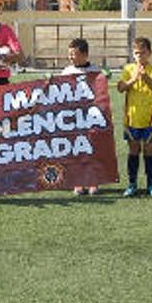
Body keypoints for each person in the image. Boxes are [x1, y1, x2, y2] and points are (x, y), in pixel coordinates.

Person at [115, 38, 152, 197]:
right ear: (132, 54)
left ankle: (151, 184)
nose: (139, 56)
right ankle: (132, 183)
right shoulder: (128, 69)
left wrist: (146, 77)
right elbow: (120, 88)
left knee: (149, 150)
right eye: (136, 53)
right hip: (132, 119)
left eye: (143, 53)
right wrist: (134, 78)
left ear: (149, 53)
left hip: (149, 119)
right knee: (133, 149)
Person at [60, 38, 103, 195]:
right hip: (73, 118)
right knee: (76, 149)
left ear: (85, 55)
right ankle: (78, 182)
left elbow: (101, 94)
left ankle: (93, 181)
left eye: (74, 54)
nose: (71, 57)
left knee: (92, 149)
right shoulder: (66, 72)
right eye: (69, 54)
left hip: (91, 117)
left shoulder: (95, 71)